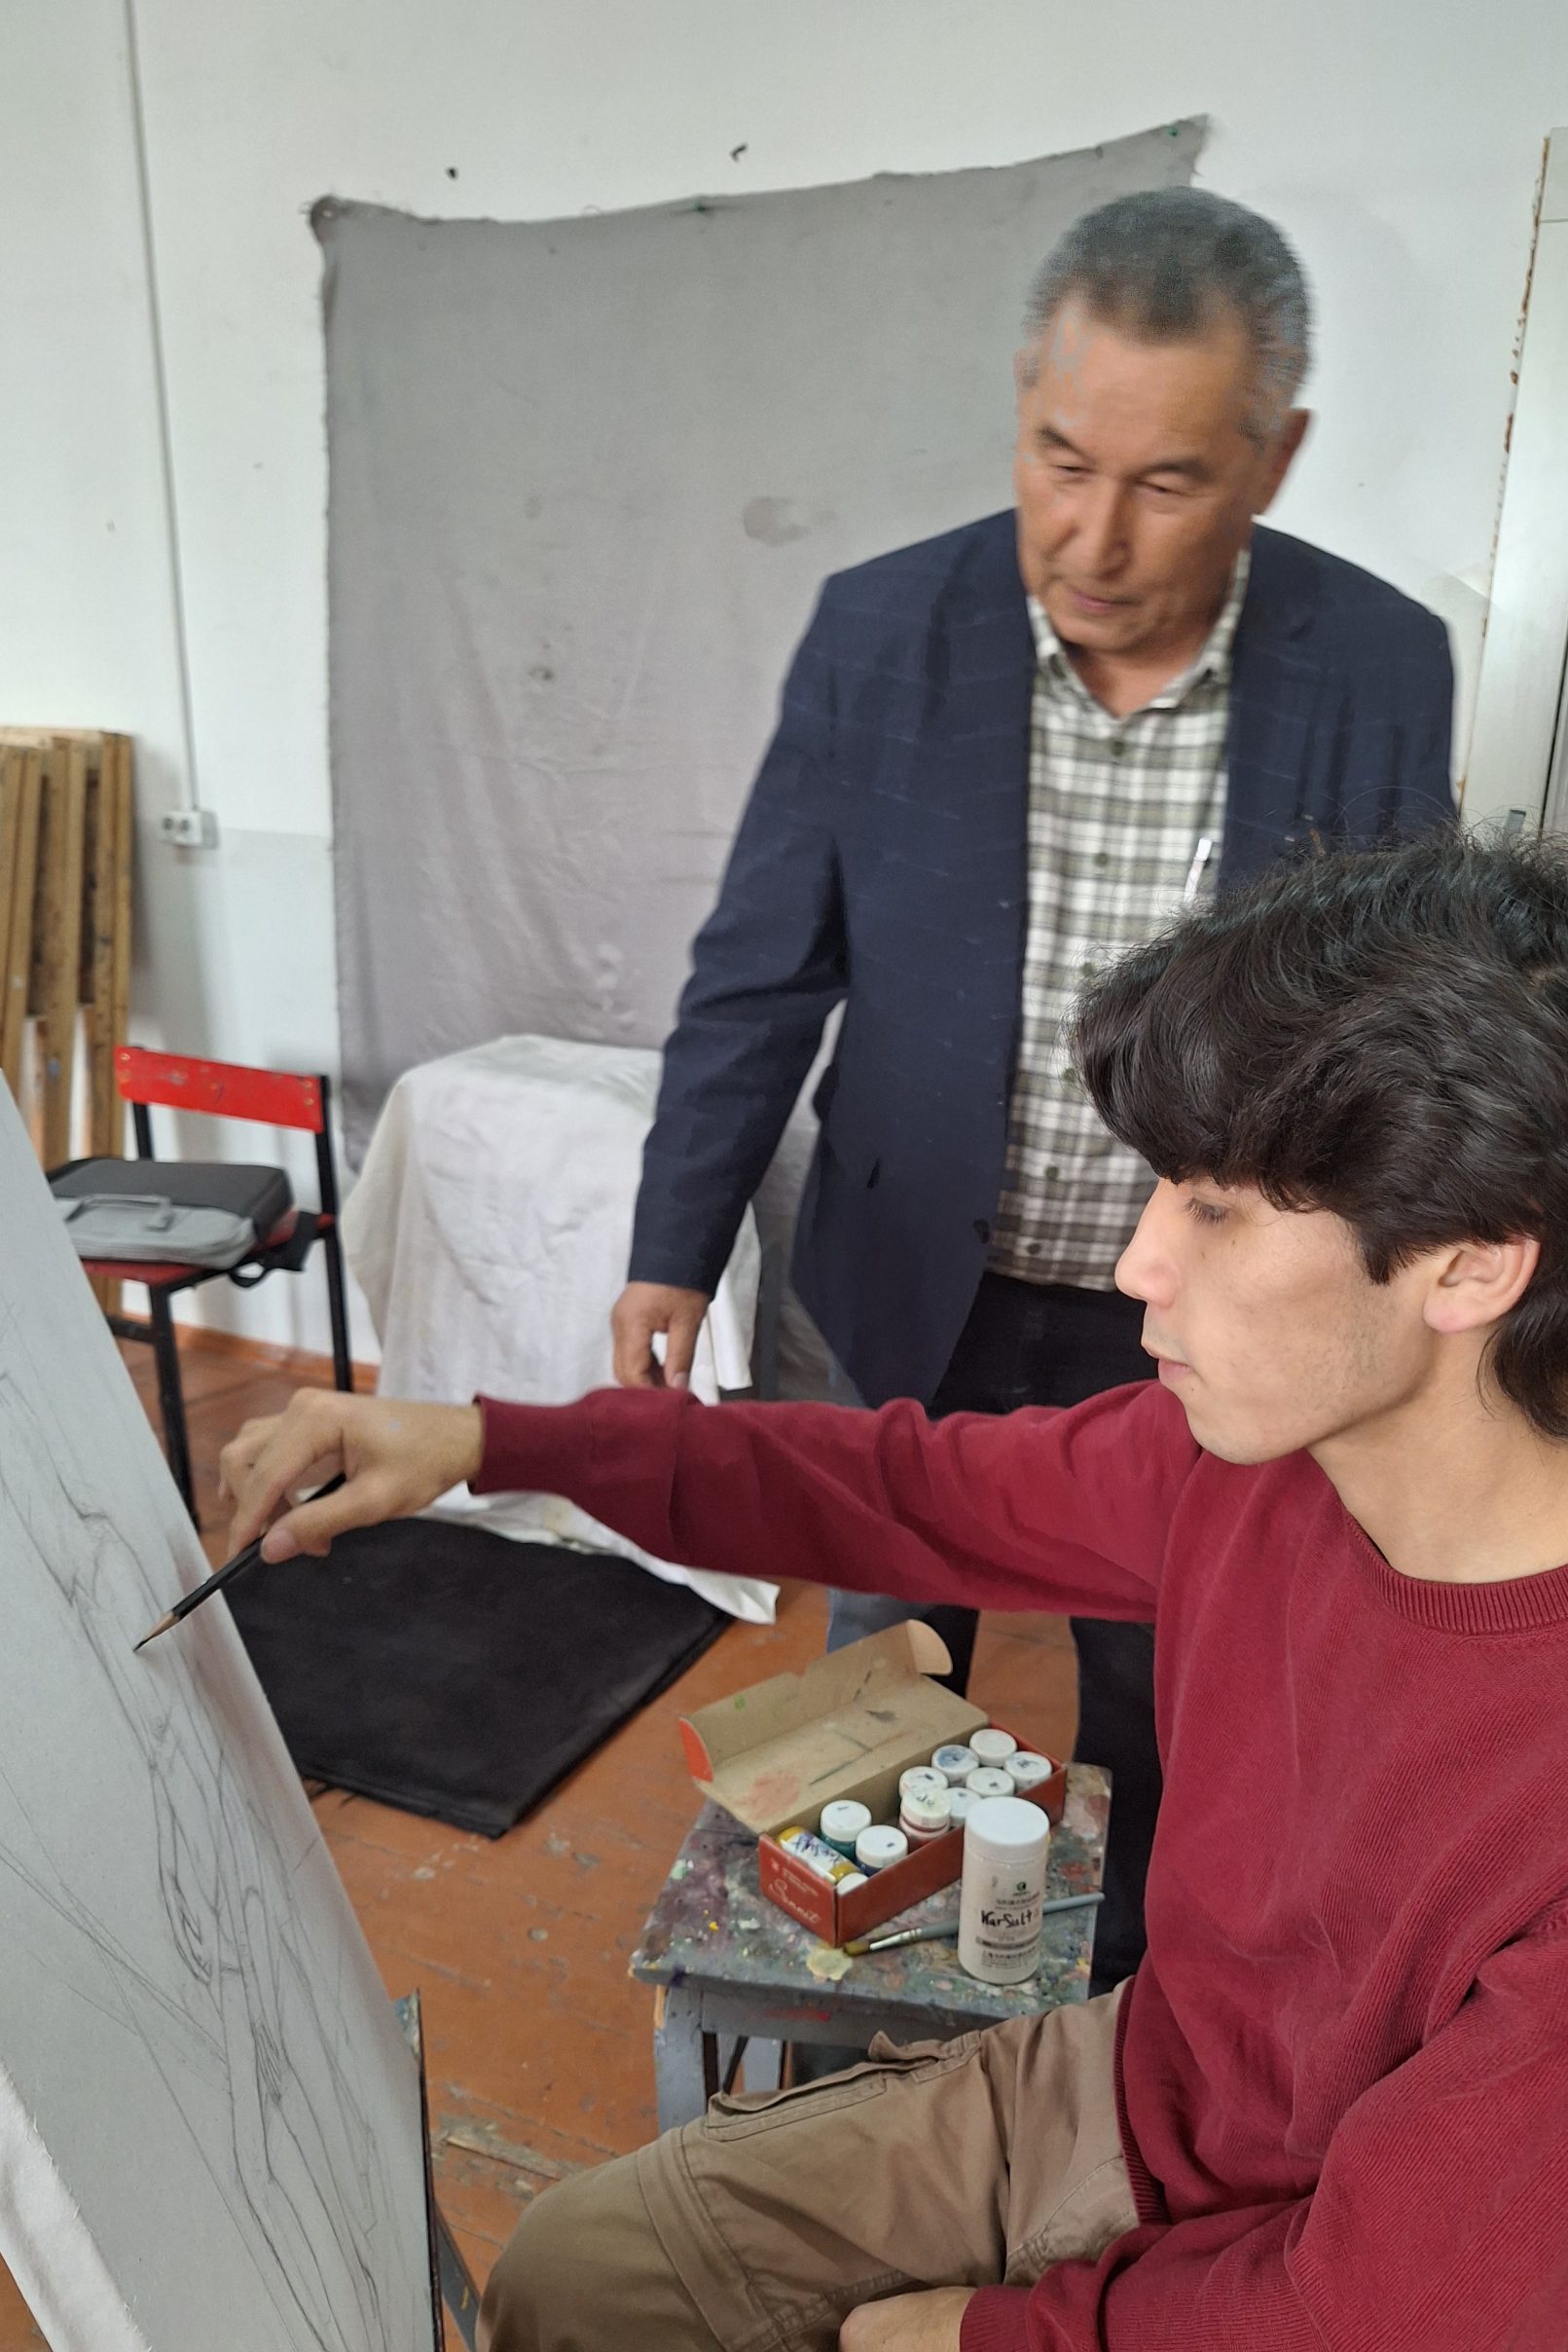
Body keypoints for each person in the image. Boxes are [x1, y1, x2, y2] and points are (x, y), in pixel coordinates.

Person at [225, 827, 1568, 2352]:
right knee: (576, 2287)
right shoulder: (1263, 1464)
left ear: (1474, 1262)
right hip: (1159, 2105)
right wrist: (489, 1439)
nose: (1138, 1264)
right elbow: (910, 1488)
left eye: (1214, 1208)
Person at [609, 188, 1455, 1990]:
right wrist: (674, 1244)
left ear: (1274, 460)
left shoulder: (1380, 667)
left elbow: (1395, 1037)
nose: (1092, 536)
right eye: (1061, 461)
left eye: (1168, 483)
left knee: (1167, 1691)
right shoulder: (878, 633)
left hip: (1193, 1319)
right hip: (913, 1278)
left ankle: (1123, 2021)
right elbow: (763, 972)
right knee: (884, 1676)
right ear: (1020, 405)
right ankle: (855, 2024)